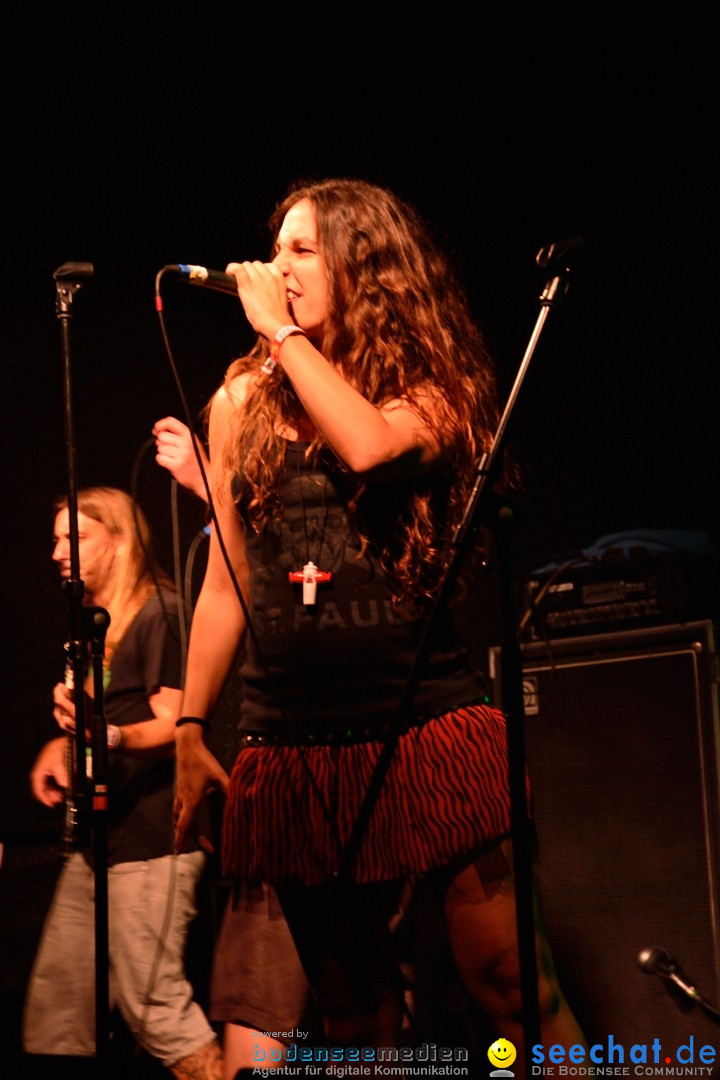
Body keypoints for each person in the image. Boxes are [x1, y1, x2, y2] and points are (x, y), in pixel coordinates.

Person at [172, 177, 586, 1077]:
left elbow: (368, 446)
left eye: (300, 250)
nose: (274, 268)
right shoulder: (241, 401)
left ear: (364, 268)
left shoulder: (433, 388)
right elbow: (224, 582)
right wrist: (192, 726)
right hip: (294, 746)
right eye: (273, 248)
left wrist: (281, 337)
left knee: (508, 983)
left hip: (425, 726)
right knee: (355, 1015)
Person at [23, 487, 223, 1079]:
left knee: (154, 1008)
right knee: (60, 1009)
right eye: (57, 538)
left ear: (118, 540)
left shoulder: (160, 612)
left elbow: (175, 723)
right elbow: (98, 721)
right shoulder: (95, 626)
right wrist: (62, 744)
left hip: (152, 844)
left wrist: (102, 736)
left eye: (75, 538)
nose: (59, 551)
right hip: (99, 848)